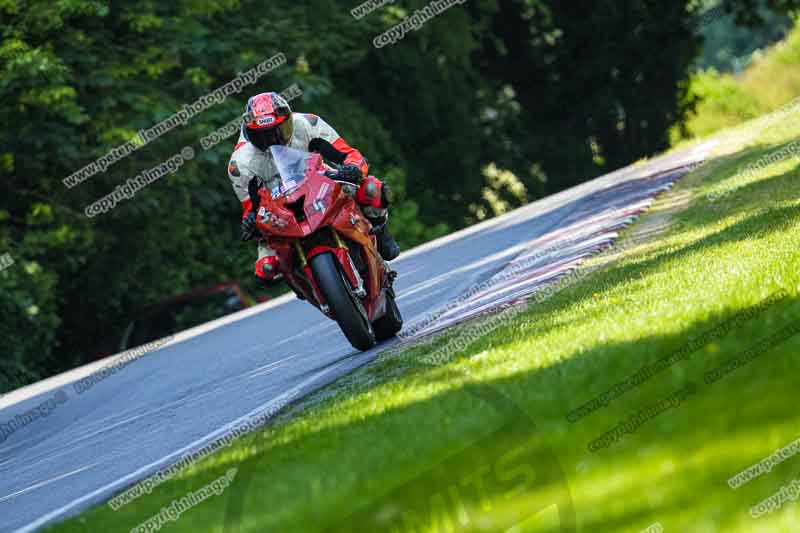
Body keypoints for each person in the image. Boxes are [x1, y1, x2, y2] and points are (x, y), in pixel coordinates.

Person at [228, 92, 400, 284]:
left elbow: (349, 154)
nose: (273, 139)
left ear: (289, 120)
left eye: (279, 130)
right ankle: (299, 282)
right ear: (250, 134)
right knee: (266, 267)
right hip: (279, 209)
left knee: (371, 189)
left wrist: (353, 168)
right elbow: (250, 208)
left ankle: (381, 232)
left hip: (320, 184)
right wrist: (250, 221)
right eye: (263, 136)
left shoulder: (307, 124)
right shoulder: (240, 163)